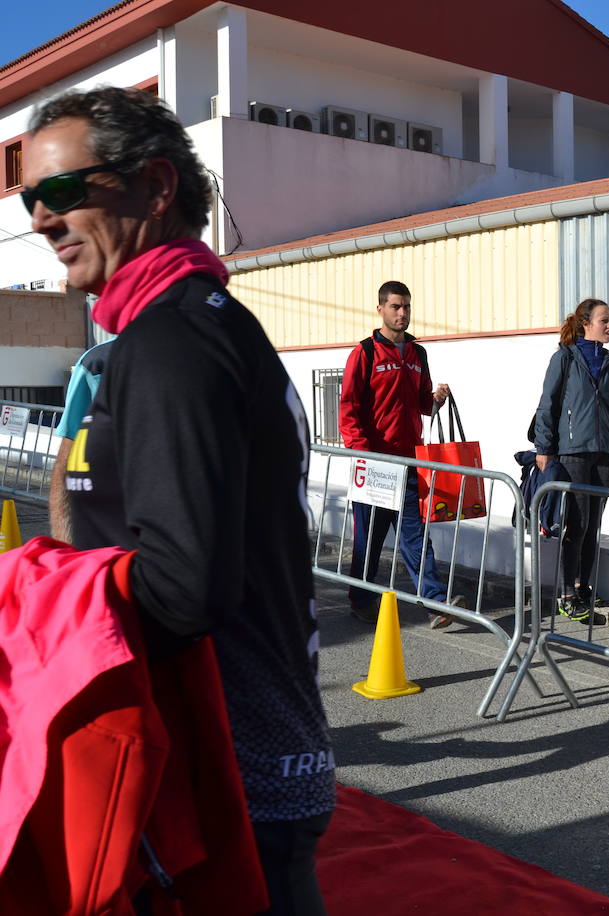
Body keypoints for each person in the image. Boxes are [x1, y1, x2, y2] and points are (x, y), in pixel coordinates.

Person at [25, 86, 333, 912]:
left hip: (224, 763)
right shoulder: (181, 326)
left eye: (60, 192)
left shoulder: (172, 343)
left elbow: (182, 586)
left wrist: (38, 599)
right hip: (227, 750)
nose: (40, 220)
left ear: (155, 187)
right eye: (27, 198)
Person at [338, 280, 460, 629]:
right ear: (380, 309)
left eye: (406, 306)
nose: (402, 313)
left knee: (416, 538)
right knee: (368, 541)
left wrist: (434, 400)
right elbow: (348, 408)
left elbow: (420, 403)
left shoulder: (418, 354)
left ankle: (436, 604)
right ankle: (361, 599)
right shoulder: (364, 353)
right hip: (374, 466)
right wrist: (363, 453)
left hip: (409, 464)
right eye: (395, 306)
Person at [530, 298, 609, 622]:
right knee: (576, 524)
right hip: (572, 452)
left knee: (594, 526)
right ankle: (566, 594)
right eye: (604, 320)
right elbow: (547, 405)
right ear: (586, 323)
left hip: (604, 454)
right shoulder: (564, 358)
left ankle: (583, 586)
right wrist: (544, 448)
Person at [48, 337, 113, 542]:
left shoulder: (98, 360)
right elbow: (68, 453)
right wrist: (65, 543)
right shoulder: (98, 362)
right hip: (114, 528)